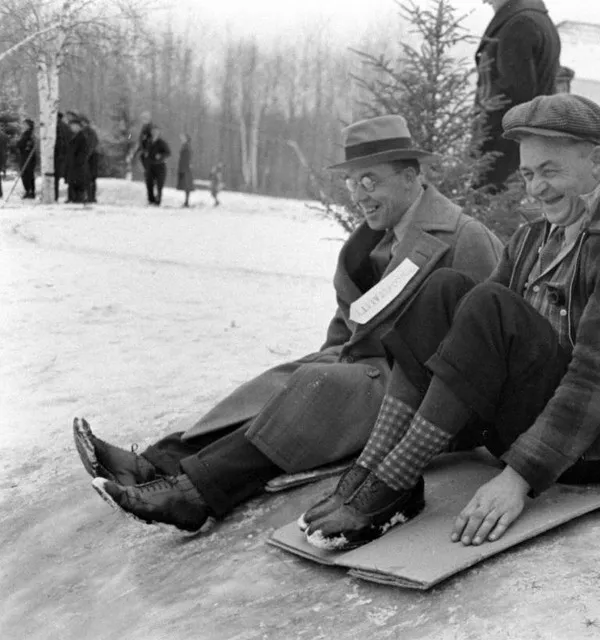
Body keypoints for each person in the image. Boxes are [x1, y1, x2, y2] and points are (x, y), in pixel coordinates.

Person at [79, 115, 504, 532]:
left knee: (318, 388)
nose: (359, 194)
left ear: (411, 177)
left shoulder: (465, 239)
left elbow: (486, 347)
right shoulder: (368, 243)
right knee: (288, 379)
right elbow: (348, 326)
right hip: (372, 374)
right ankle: (155, 463)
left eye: (370, 180)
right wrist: (319, 365)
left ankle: (193, 495)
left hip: (423, 400)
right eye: (352, 183)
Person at [298, 94, 600, 551]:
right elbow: (471, 331)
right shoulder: (534, 234)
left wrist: (517, 479)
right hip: (522, 418)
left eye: (550, 171)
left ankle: (395, 478)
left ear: (598, 163)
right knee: (444, 290)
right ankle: (376, 467)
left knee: (491, 304)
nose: (536, 189)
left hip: (595, 446)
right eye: (528, 174)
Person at [474, 0, 560, 192]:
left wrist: (486, 158)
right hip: (522, 153)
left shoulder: (519, 24)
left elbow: (514, 103)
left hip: (504, 158)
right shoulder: (535, 18)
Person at [131, 111, 156, 204]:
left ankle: (153, 196)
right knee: (146, 173)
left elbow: (150, 140)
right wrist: (137, 150)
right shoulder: (144, 127)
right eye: (142, 118)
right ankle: (150, 195)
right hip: (142, 152)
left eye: (144, 118)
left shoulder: (151, 128)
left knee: (150, 175)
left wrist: (147, 150)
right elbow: (141, 140)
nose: (143, 120)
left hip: (148, 153)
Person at [65, 118, 91, 204]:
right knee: (72, 181)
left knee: (78, 182)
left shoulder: (81, 137)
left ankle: (78, 198)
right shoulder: (73, 136)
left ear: (78, 127)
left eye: (74, 126)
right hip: (73, 163)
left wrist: (79, 161)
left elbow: (84, 151)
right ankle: (72, 197)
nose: (72, 128)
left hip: (78, 164)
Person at [146, 126, 170, 206]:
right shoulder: (149, 142)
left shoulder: (162, 143)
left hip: (160, 166)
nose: (154, 133)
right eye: (153, 132)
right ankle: (151, 200)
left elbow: (168, 153)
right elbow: (145, 152)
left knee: (159, 185)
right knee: (149, 183)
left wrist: (161, 155)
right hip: (150, 165)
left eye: (156, 132)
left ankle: (158, 201)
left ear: (159, 133)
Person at [80, 115, 101, 204]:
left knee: (90, 178)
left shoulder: (89, 132)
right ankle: (90, 196)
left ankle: (90, 196)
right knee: (89, 178)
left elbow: (92, 144)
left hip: (91, 158)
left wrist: (87, 155)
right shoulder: (88, 132)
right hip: (90, 157)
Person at [17, 118, 38, 199]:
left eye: (25, 125)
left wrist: (19, 144)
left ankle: (30, 191)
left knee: (27, 174)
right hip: (25, 156)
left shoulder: (29, 135)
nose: (23, 126)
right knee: (26, 174)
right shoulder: (25, 134)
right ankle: (29, 190)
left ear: (29, 126)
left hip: (28, 157)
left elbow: (21, 144)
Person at [54, 112, 71, 202]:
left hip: (57, 155)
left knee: (54, 177)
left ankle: (54, 195)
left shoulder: (56, 127)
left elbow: (60, 142)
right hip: (65, 155)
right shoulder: (66, 127)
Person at [177, 134, 194, 207]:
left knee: (187, 185)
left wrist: (184, 168)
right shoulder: (184, 146)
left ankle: (187, 202)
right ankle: (186, 201)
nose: (181, 138)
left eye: (183, 137)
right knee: (186, 186)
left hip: (185, 169)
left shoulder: (187, 147)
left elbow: (187, 159)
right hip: (184, 168)